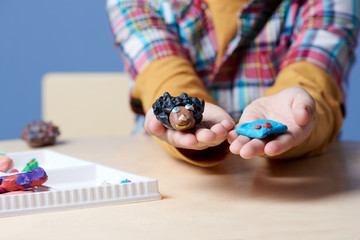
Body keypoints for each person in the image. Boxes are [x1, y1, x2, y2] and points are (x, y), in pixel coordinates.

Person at [107, 0, 360, 167]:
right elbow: (163, 71)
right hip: (166, 177)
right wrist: (187, 126)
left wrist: (299, 105)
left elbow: (315, 74)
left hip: (302, 180)